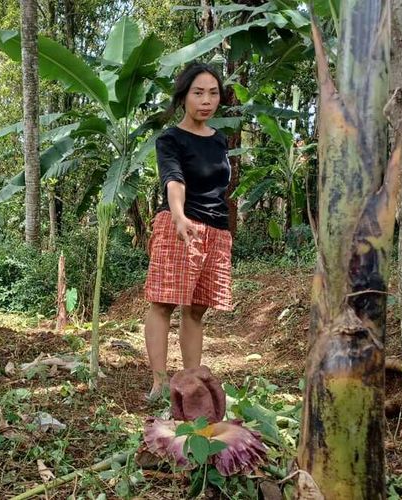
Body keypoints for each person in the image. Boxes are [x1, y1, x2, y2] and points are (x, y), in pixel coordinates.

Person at [144, 62, 233, 401]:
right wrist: (179, 215)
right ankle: (160, 381)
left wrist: (221, 232)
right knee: (163, 302)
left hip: (216, 230)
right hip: (180, 227)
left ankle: (192, 379)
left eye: (213, 93)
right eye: (198, 92)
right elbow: (173, 178)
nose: (206, 100)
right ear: (183, 96)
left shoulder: (220, 139)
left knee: (196, 309)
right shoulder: (171, 138)